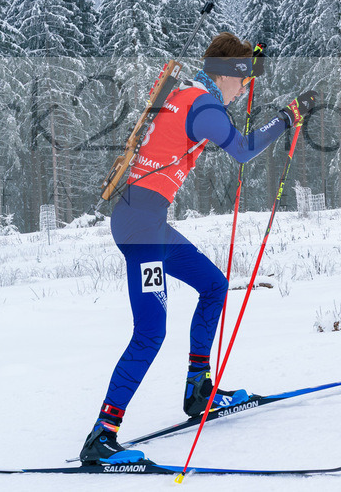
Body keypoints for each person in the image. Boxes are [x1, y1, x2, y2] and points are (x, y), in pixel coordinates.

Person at [80, 32, 317, 465]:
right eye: (242, 80)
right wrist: (286, 118)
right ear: (225, 75)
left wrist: (254, 60)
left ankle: (198, 389)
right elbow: (243, 150)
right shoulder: (203, 105)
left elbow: (229, 95)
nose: (245, 88)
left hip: (146, 220)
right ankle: (102, 436)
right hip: (142, 229)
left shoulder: (189, 92)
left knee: (214, 286)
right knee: (151, 331)